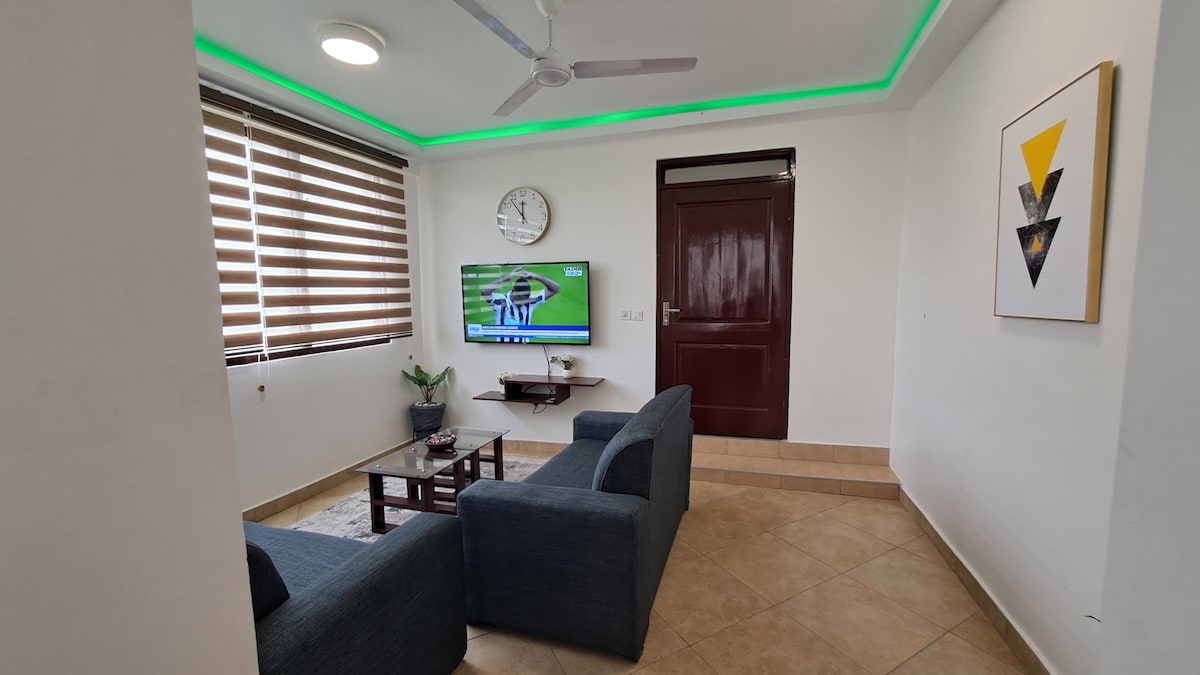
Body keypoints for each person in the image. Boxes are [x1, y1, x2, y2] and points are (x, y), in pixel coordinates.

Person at [481, 266, 561, 342]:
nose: (522, 303)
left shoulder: (531, 301)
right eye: (520, 299)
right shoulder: (501, 301)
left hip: (525, 348)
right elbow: (485, 292)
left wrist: (536, 277)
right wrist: (505, 279)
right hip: (503, 348)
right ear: (514, 292)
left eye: (525, 300)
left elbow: (555, 289)